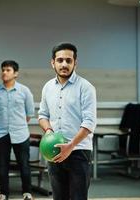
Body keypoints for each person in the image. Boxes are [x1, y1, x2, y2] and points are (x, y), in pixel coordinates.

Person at [38, 43, 97, 200]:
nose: (64, 64)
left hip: (79, 152)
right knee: (59, 197)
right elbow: (42, 115)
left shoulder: (86, 87)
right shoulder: (47, 87)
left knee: (78, 197)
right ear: (53, 62)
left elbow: (89, 122)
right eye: (60, 60)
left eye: (68, 60)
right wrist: (49, 132)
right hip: (55, 152)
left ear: (75, 63)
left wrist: (70, 146)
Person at [0, 60, 35, 200]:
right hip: (1, 133)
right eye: (3, 70)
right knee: (2, 165)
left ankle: (27, 192)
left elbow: (29, 114)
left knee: (24, 165)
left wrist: (18, 124)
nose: (4, 72)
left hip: (20, 133)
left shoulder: (24, 91)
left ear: (16, 73)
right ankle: (4, 194)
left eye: (8, 70)